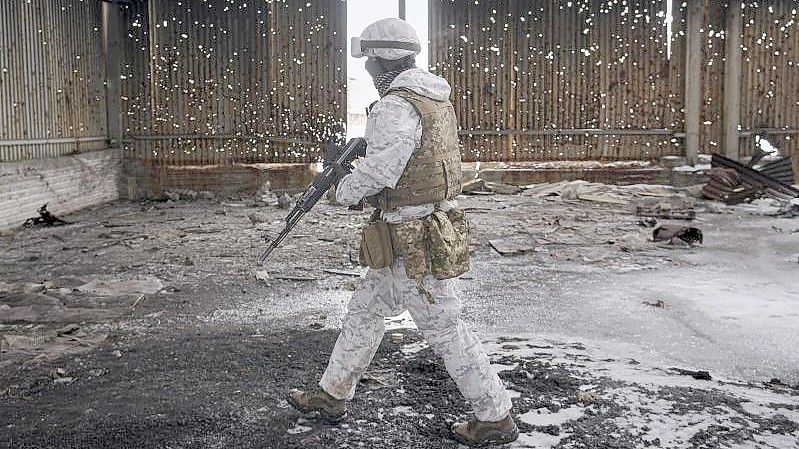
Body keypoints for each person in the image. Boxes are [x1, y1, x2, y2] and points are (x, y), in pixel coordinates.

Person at [288, 18, 518, 447]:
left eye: (370, 63)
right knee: (366, 312)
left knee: (446, 329)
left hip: (414, 240)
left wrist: (344, 189)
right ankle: (332, 394)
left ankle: (495, 416)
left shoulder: (397, 105)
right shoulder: (433, 98)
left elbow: (381, 169)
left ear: (381, 60)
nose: (368, 72)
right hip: (411, 231)